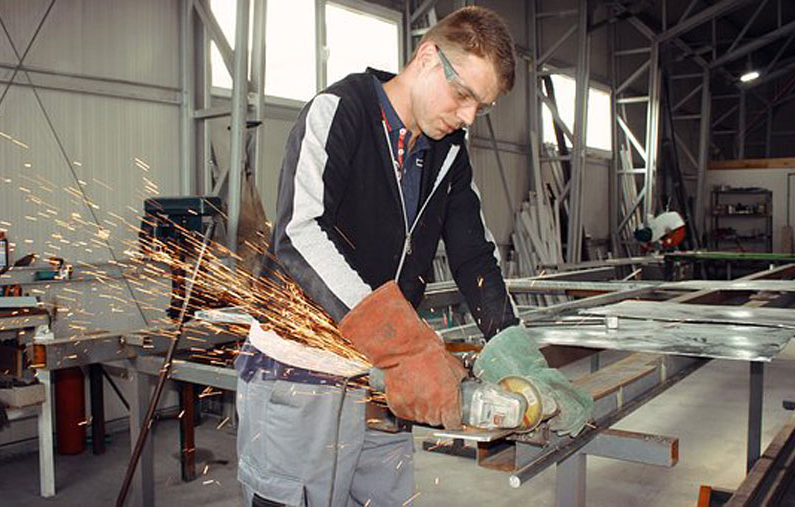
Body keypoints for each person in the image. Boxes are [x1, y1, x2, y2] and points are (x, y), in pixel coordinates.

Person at [234, 6, 593, 505]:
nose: (468, 116)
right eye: (464, 94)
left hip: (383, 381)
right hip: (303, 373)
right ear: (427, 58)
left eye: (480, 106)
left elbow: (474, 258)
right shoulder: (340, 110)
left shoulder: (448, 151)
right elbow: (301, 233)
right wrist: (404, 347)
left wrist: (519, 356)